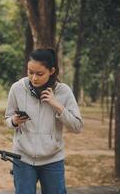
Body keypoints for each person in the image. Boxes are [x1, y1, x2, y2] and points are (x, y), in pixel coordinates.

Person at [5, 48, 83, 194]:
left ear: (52, 71)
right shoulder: (17, 89)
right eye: (30, 72)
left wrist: (57, 106)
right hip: (22, 159)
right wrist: (14, 121)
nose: (34, 78)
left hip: (53, 160)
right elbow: (7, 120)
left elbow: (77, 126)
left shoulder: (63, 91)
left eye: (39, 74)